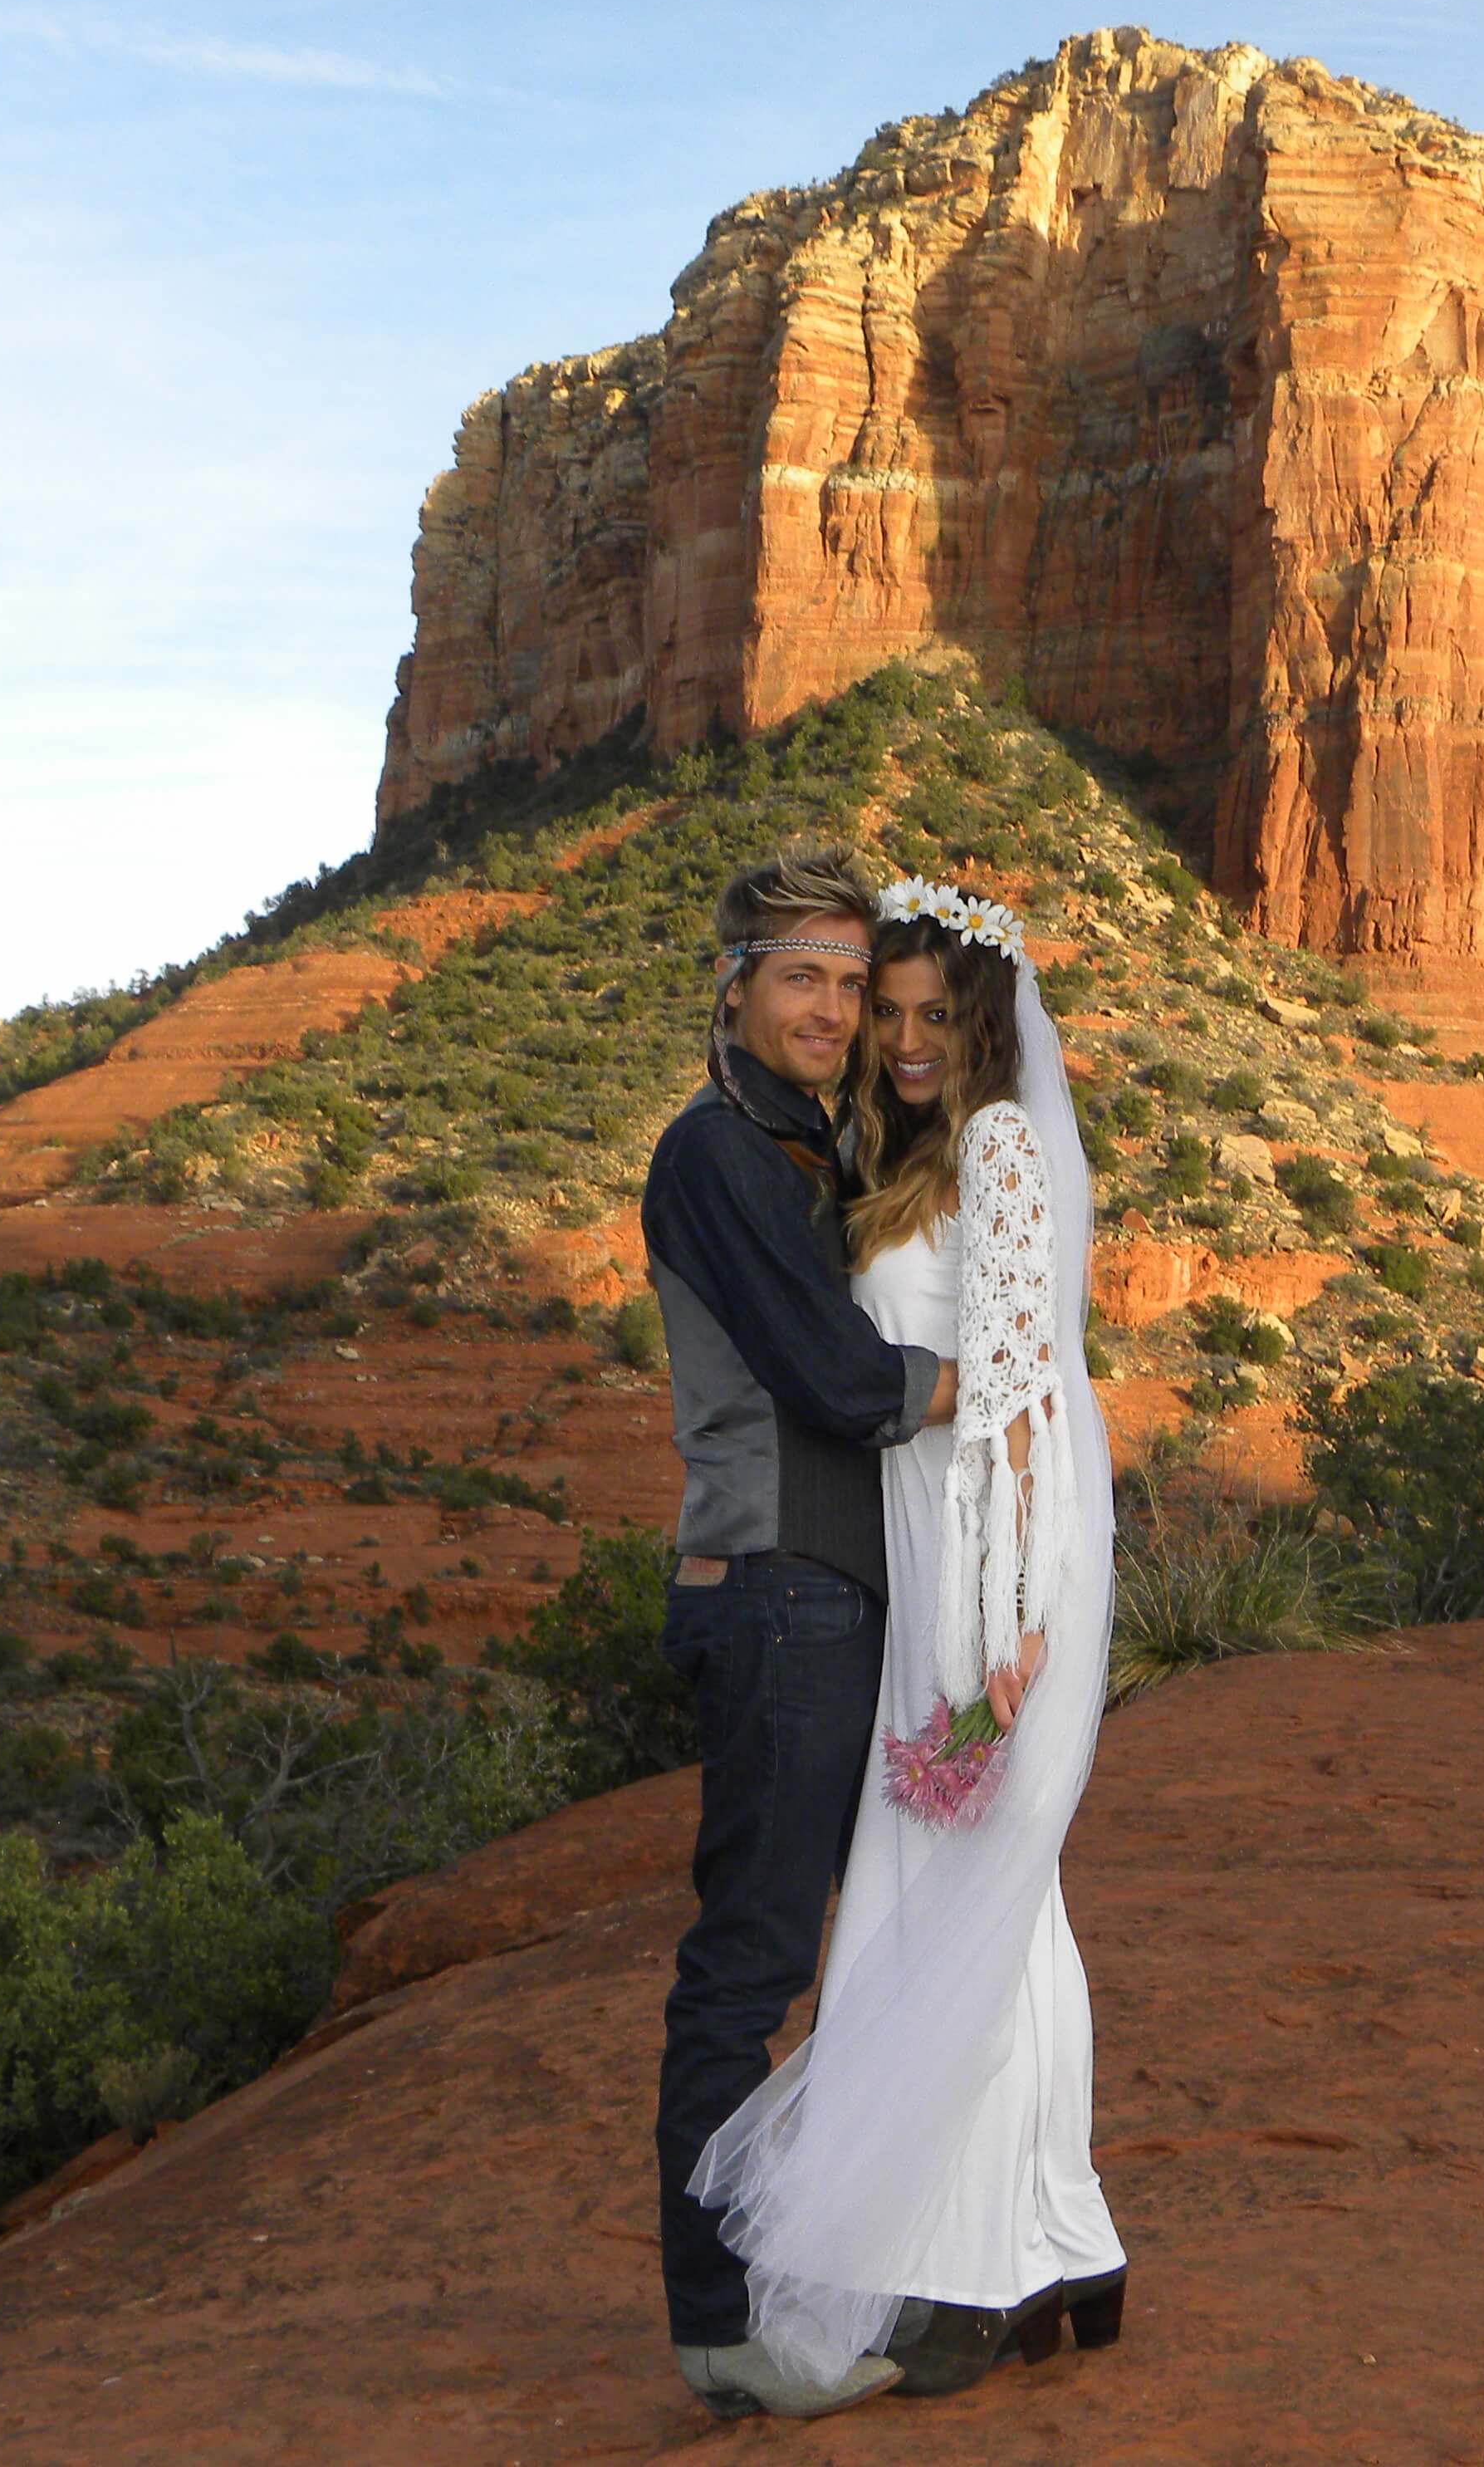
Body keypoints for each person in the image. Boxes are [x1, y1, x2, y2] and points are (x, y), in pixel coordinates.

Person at [687, 875, 1129, 2399]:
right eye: (885, 1013)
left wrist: (1001, 1637)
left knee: (957, 1907)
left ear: (989, 1024)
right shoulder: (912, 1158)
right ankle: (1064, 2235)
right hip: (921, 1560)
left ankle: (988, 2267)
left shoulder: (999, 1148)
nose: (903, 1038)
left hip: (980, 1577)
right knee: (1004, 1906)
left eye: (937, 1015)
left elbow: (1015, 1416)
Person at [641, 842, 958, 2422]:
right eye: (803, 978)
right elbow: (840, 1386)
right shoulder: (717, 1156)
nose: (833, 1007)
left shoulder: (800, 1151)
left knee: (818, 1945)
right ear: (736, 990)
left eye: (850, 979)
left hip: (823, 1598)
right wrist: (1001, 1367)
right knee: (750, 1963)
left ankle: (791, 2275)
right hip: (775, 1596)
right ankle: (720, 2326)